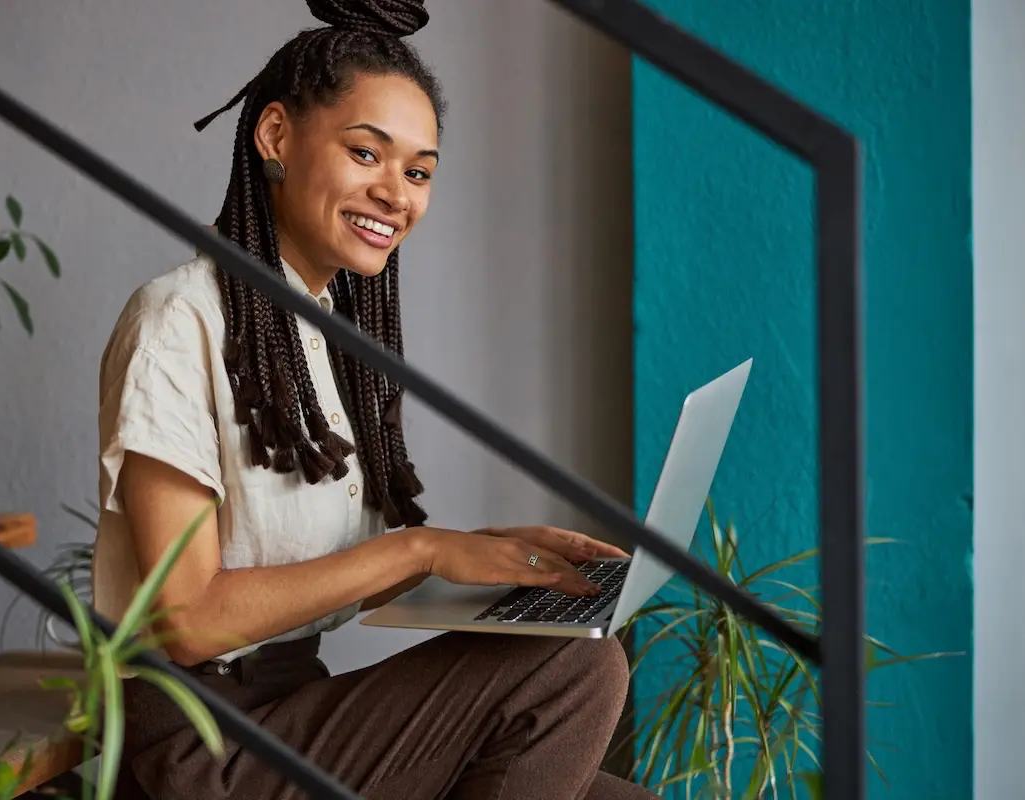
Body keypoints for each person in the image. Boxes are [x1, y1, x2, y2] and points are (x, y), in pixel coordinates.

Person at [92, 1, 660, 797]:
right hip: (197, 744)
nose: (396, 194)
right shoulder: (178, 320)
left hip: (291, 703)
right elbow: (189, 620)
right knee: (577, 665)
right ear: (277, 137)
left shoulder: (325, 336)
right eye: (368, 153)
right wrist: (419, 549)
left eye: (419, 171)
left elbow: (307, 567)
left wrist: (490, 556)